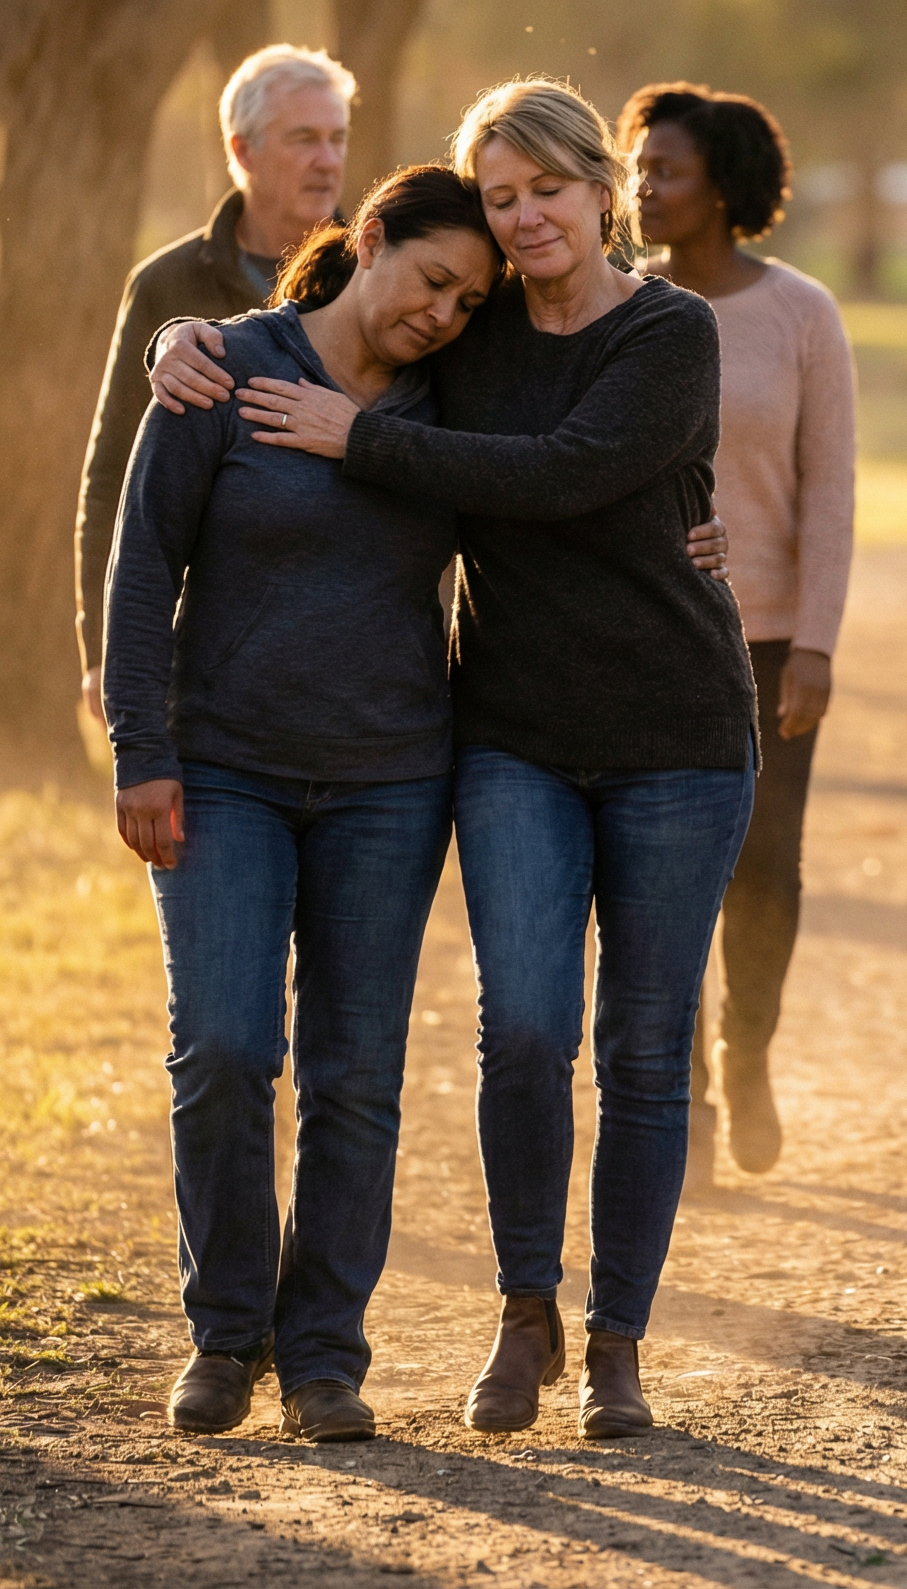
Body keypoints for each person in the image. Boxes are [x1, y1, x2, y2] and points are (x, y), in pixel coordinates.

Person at [149, 79, 758, 1441]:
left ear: (604, 191)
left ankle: (616, 1347)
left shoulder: (671, 333)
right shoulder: (466, 339)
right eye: (502, 195)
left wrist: (357, 439)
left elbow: (565, 469)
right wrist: (191, 338)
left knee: (646, 1052)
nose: (527, 216)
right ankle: (523, 1309)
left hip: (675, 734)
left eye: (550, 187)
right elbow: (328, 326)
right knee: (526, 1032)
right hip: (512, 736)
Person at [105, 168, 501, 1443]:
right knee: (223, 1048)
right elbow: (142, 560)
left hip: (391, 781)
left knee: (356, 1075)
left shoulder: (457, 403)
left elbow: (577, 467)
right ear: (368, 239)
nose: (443, 313)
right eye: (433, 279)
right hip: (221, 769)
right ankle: (227, 1334)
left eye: (468, 300)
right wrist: (141, 750)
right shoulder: (224, 368)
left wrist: (693, 534)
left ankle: (324, 1351)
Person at [625, 82, 856, 1183]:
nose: (642, 188)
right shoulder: (615, 304)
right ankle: (689, 1095)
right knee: (662, 873)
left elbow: (830, 485)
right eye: (636, 168)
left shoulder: (801, 311)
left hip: (765, 644)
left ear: (721, 186)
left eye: (663, 170)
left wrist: (815, 639)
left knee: (766, 866)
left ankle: (745, 1051)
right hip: (649, 636)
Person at [78, 45, 353, 729]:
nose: (328, 159)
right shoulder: (167, 284)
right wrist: (100, 649)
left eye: (338, 138)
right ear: (243, 148)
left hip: (351, 642)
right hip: (205, 647)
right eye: (304, 138)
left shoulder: (379, 273)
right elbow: (113, 472)